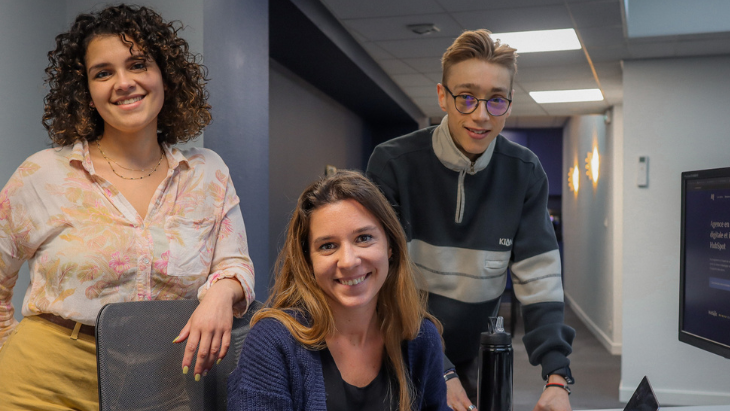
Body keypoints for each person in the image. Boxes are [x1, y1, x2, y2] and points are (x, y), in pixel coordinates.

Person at [0, 5, 254, 409]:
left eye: (138, 64)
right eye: (103, 72)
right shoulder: (42, 174)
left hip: (166, 381)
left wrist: (221, 295)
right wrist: (9, 351)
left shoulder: (208, 173)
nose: (124, 83)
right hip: (46, 383)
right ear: (86, 90)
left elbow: (235, 265)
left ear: (165, 76)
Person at [366, 29, 575, 411]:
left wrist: (557, 377)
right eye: (466, 98)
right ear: (442, 96)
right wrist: (439, 370)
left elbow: (540, 282)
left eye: (496, 100)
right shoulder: (393, 164)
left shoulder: (525, 173)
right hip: (400, 345)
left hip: (475, 354)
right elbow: (383, 282)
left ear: (509, 104)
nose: (481, 115)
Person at [228, 170, 448, 411]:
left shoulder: (419, 336)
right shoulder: (273, 342)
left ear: (391, 247)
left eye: (364, 238)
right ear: (308, 261)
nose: (348, 261)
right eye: (328, 246)